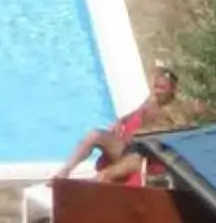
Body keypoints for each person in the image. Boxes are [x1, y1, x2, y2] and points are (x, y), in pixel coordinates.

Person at [20, 62, 183, 215]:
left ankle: (77, 197)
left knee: (104, 176)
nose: (157, 91)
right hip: (126, 147)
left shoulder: (170, 111)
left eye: (162, 88)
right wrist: (121, 120)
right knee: (94, 135)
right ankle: (65, 171)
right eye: (156, 86)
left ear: (171, 90)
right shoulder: (152, 99)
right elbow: (137, 112)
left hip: (139, 156)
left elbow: (168, 133)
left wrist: (139, 133)